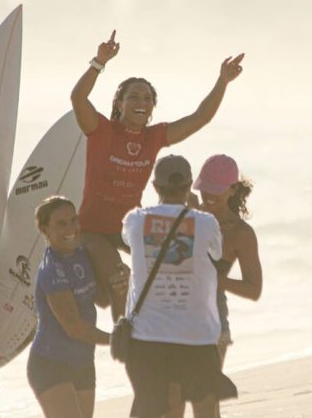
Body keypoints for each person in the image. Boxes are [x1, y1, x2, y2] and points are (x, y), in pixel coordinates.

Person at [70, 30, 245, 320]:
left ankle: (186, 331)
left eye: (148, 98)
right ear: (120, 104)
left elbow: (200, 118)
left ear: (152, 107)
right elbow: (78, 97)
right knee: (120, 278)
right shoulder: (101, 131)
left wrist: (222, 81)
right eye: (134, 97)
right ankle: (127, 341)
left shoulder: (154, 137)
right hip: (92, 229)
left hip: (129, 228)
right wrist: (99, 62)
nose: (142, 102)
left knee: (178, 266)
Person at [122, 155, 237, 418]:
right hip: (195, 335)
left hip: (148, 337)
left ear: (154, 185)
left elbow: (127, 242)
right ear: (189, 187)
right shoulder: (207, 222)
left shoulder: (134, 220)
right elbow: (218, 254)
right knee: (204, 408)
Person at [162, 154, 263, 418]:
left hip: (212, 320)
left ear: (233, 189)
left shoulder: (241, 234)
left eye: (216, 190)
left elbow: (254, 289)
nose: (208, 196)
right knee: (171, 403)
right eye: (205, 188)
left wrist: (220, 280)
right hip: (175, 315)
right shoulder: (190, 213)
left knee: (205, 402)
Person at [26, 196, 111, 418]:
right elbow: (75, 328)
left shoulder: (84, 253)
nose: (71, 229)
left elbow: (103, 300)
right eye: (61, 224)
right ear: (45, 229)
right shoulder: (51, 270)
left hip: (83, 363)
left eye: (73, 220)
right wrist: (118, 341)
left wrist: (117, 283)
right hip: (49, 364)